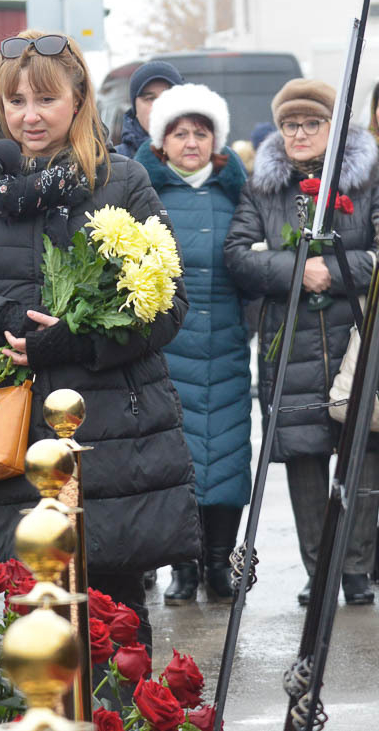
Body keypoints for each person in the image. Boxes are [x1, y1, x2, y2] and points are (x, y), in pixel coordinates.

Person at [0, 31, 200, 647]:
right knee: (22, 626)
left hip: (109, 438)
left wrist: (78, 339)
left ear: (79, 99)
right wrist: (1, 318)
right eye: (14, 101)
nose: (28, 115)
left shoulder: (121, 181)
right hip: (8, 439)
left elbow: (169, 305)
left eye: (44, 99)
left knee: (112, 619)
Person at [224, 78, 379, 606]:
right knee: (303, 456)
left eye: (313, 123)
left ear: (334, 127)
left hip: (354, 334)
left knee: (362, 451)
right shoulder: (263, 186)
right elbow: (239, 255)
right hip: (289, 344)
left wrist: (331, 272)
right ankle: (320, 570)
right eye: (292, 124)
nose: (301, 133)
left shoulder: (367, 178)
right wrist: (297, 270)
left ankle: (356, 569)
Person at [133, 84, 252, 605]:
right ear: (162, 142)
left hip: (226, 344)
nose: (190, 142)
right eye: (179, 133)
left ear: (215, 141)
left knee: (227, 458)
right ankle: (182, 566)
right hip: (169, 347)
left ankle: (220, 564)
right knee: (176, 461)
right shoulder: (147, 197)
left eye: (200, 133)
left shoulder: (236, 194)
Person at [114, 61, 184, 159]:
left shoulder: (202, 156)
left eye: (167, 96)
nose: (159, 106)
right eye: (150, 98)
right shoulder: (115, 163)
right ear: (135, 109)